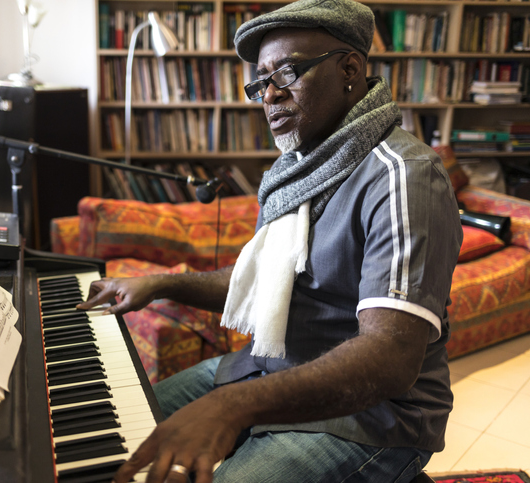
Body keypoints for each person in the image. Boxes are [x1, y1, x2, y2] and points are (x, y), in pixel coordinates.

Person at [78, 1, 463, 481]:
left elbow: (389, 359)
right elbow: (262, 280)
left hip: (372, 418)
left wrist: (232, 406)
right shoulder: (297, 169)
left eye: (287, 72)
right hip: (265, 370)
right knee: (117, 435)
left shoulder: (403, 176)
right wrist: (160, 283)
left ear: (350, 69)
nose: (269, 94)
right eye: (261, 81)